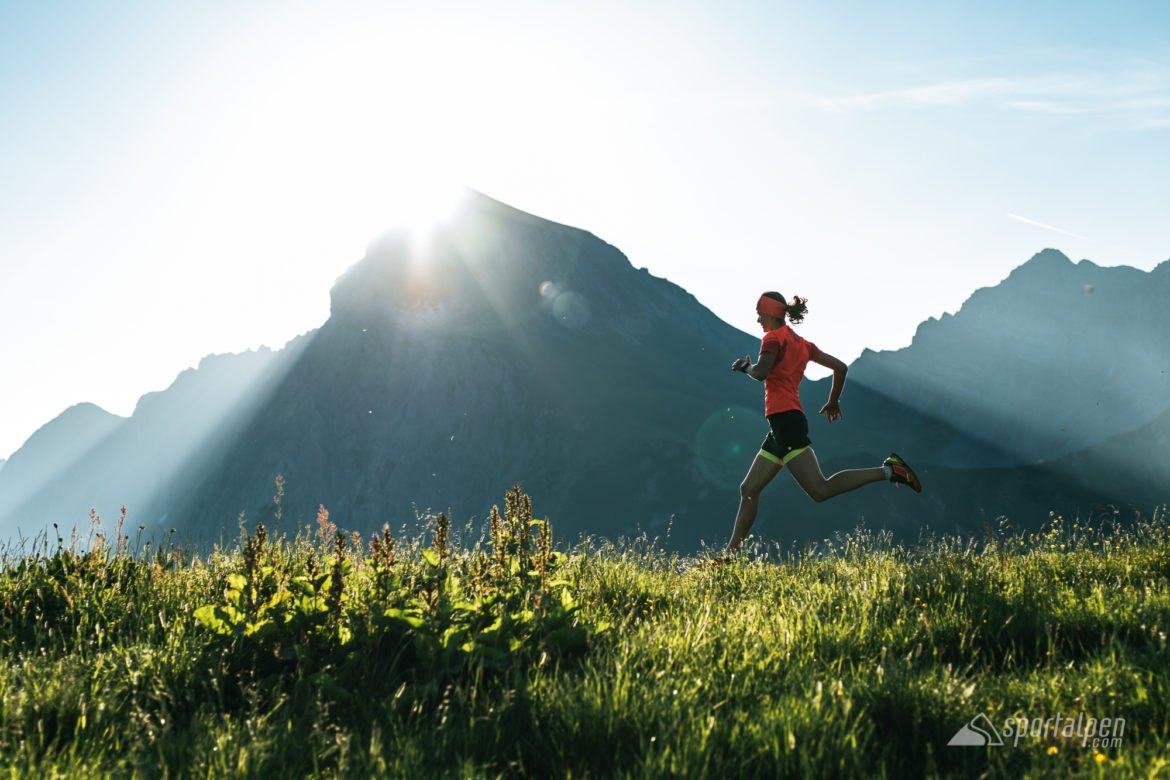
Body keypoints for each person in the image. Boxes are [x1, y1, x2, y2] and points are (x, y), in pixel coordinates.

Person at [725, 291, 921, 554]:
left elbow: (761, 373)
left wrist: (744, 367)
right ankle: (728, 556)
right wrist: (833, 401)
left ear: (771, 313)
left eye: (760, 314)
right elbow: (841, 367)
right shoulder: (802, 344)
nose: (758, 319)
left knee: (820, 489)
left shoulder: (772, 338)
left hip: (787, 424)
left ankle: (890, 471)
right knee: (748, 488)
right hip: (782, 425)